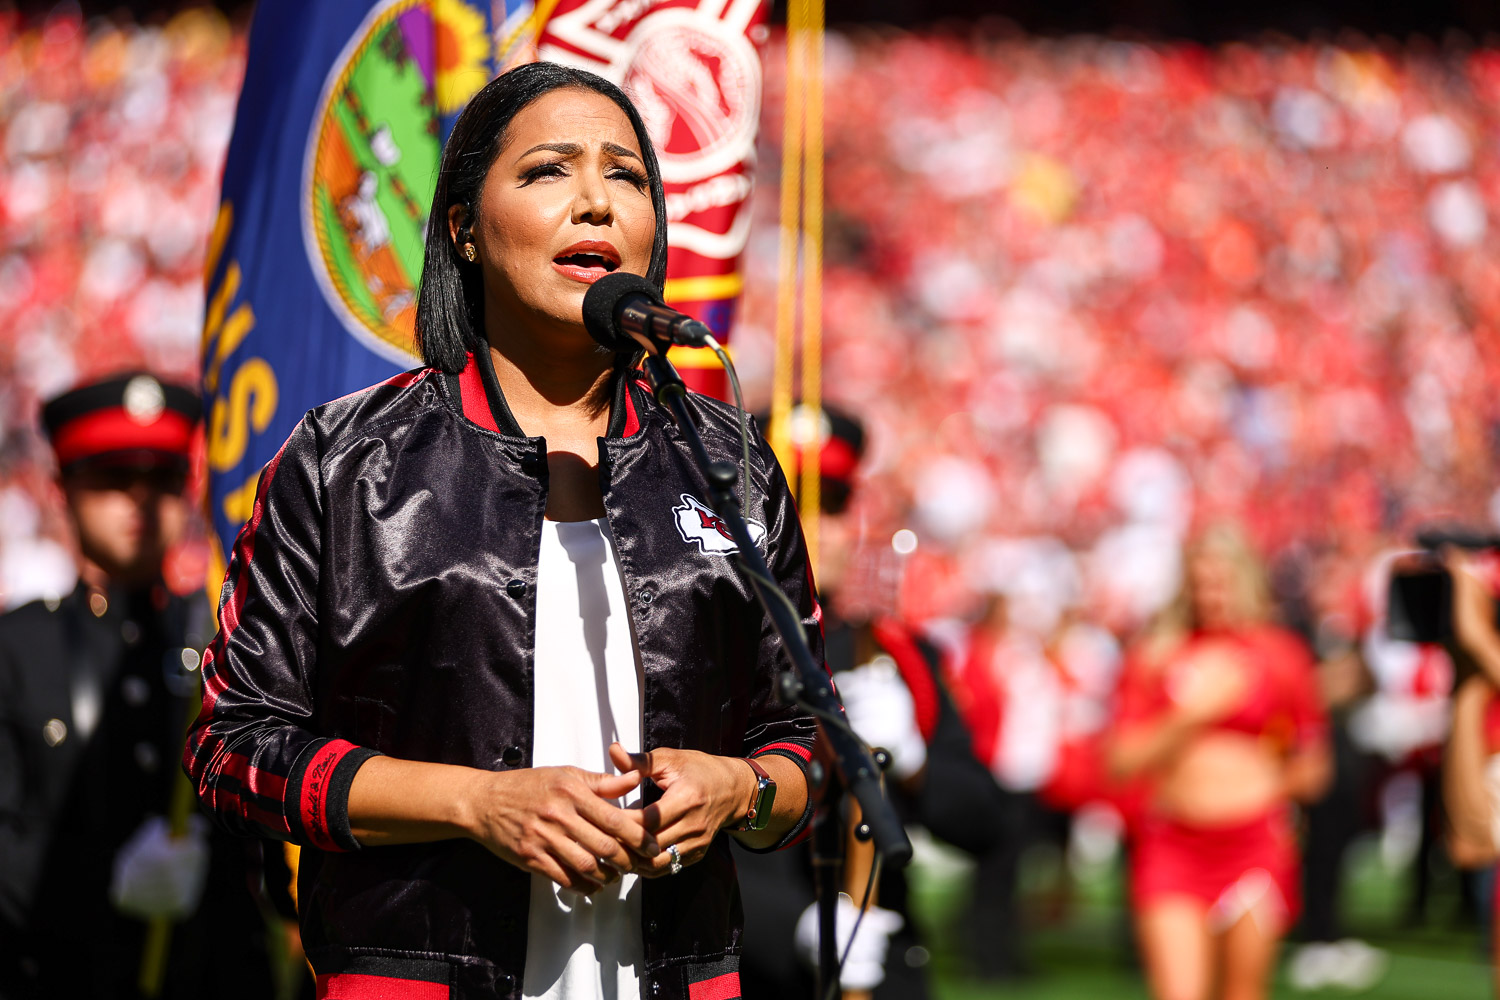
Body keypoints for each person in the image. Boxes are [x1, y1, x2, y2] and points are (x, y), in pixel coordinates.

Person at [183, 62, 818, 1000]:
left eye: (629, 175)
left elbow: (805, 735)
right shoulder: (342, 461)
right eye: (549, 170)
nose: (598, 202)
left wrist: (741, 788)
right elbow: (232, 749)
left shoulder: (729, 462)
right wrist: (477, 804)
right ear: (464, 229)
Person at [0, 373, 273, 998]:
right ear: (60, 489)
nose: (141, 501)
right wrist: (101, 884)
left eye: (163, 479)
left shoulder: (227, 637)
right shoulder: (16, 651)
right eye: (112, 479)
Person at [735, 404, 1007, 1000]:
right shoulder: (708, 647)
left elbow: (984, 822)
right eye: (794, 503)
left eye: (831, 506)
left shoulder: (898, 653)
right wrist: (792, 926)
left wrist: (913, 763)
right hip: (747, 966)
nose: (816, 527)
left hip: (883, 967)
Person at [1107, 522, 1331, 1000]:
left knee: (1243, 991)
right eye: (1200, 583)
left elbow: (1313, 764)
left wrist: (1271, 789)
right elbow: (1122, 759)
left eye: (1222, 582)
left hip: (1254, 845)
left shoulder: (1281, 656)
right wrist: (1193, 716)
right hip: (1174, 843)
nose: (1211, 596)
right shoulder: (1157, 655)